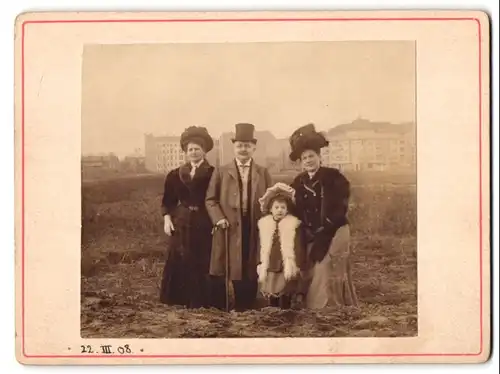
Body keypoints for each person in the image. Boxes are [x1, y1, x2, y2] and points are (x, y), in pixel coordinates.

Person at [288, 123, 358, 309]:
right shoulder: (299, 182)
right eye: (305, 158)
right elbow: (295, 208)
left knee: (327, 265)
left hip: (335, 230)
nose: (308, 161)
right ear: (301, 162)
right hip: (312, 233)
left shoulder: (334, 177)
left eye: (312, 156)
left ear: (319, 157)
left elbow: (340, 206)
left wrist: (326, 227)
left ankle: (332, 307)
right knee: (309, 265)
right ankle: (313, 305)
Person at [205, 123, 273, 312]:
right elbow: (210, 200)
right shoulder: (221, 171)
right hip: (230, 227)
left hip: (254, 226)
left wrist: (267, 220)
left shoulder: (262, 172)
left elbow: (271, 199)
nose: (243, 149)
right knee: (231, 266)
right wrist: (218, 218)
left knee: (251, 265)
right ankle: (230, 307)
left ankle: (248, 307)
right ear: (234, 148)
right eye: (240, 146)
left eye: (247, 145)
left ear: (254, 148)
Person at [159, 126, 215, 309]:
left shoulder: (214, 174)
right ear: (185, 151)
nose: (193, 152)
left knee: (203, 260)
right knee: (180, 258)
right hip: (181, 223)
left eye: (197, 149)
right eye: (190, 149)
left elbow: (217, 200)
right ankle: (177, 300)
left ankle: (202, 302)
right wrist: (167, 219)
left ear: (204, 151)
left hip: (204, 223)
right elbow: (168, 201)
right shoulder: (174, 175)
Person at [255, 182, 307, 309]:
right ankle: (272, 310)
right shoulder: (265, 225)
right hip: (271, 263)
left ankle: (285, 310)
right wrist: (259, 262)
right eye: (276, 207)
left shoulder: (293, 225)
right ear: (270, 209)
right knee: (271, 289)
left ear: (287, 210)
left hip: (285, 264)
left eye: (283, 208)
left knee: (285, 290)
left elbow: (298, 246)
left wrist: (298, 262)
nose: (279, 210)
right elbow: (260, 245)